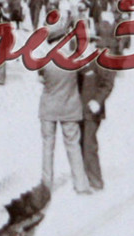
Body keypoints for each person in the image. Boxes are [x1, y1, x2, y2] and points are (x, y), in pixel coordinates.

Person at [37, 39, 93, 195]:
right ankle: (80, 185)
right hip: (70, 107)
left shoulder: (44, 60)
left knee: (48, 147)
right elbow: (87, 73)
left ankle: (46, 185)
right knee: (73, 146)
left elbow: (41, 79)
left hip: (48, 108)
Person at [76, 54, 116, 192]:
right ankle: (84, 179)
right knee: (79, 144)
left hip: (92, 112)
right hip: (77, 111)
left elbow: (108, 84)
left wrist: (98, 101)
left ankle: (96, 182)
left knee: (89, 145)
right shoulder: (77, 62)